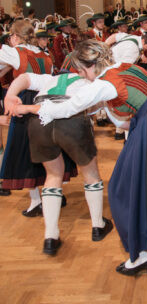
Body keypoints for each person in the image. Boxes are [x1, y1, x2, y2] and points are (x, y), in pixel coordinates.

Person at [7, 40, 147, 275]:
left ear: (90, 66)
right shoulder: (125, 66)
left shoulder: (105, 83)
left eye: (81, 69)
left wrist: (25, 108)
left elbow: (68, 108)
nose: (79, 74)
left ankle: (142, 255)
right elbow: (124, 116)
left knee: (124, 189)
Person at [5, 71, 113, 255]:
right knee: (91, 173)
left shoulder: (50, 79)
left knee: (53, 175)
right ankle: (97, 225)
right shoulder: (92, 82)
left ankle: (50, 236)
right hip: (72, 121)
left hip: (39, 120)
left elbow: (24, 78)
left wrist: (10, 96)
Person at [0, 20, 77, 215]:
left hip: (25, 100)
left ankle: (36, 202)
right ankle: (54, 193)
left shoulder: (14, 52)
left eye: (11, 37)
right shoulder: (45, 55)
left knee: (26, 151)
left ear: (15, 37)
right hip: (47, 99)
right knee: (49, 148)